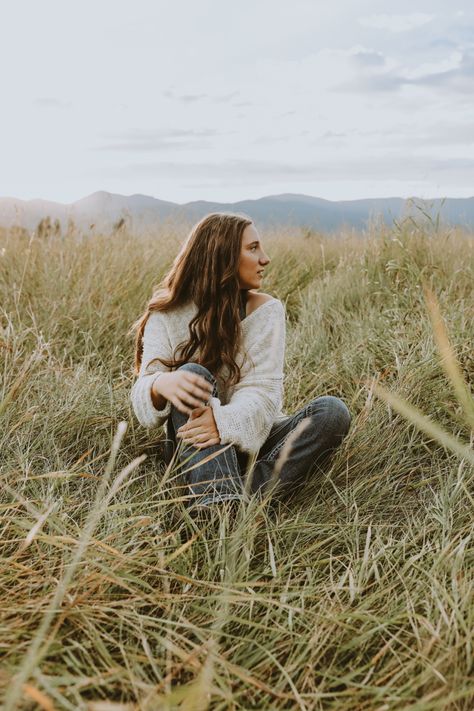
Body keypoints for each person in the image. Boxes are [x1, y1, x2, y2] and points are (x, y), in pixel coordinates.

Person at [130, 213, 351, 515]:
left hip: (251, 432)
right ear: (222, 255)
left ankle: (230, 502)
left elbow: (262, 394)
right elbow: (143, 396)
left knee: (331, 413)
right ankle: (221, 506)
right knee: (193, 375)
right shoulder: (167, 313)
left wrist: (222, 422)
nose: (265, 259)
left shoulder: (266, 311)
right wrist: (161, 384)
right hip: (194, 445)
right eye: (253, 248)